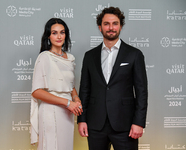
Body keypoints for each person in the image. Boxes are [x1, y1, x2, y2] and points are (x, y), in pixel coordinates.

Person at [78, 7, 148, 150]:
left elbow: (141, 92)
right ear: (100, 27)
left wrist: (139, 122)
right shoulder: (89, 56)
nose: (111, 28)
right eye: (106, 24)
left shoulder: (134, 55)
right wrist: (82, 120)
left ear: (120, 26)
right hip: (96, 124)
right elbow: (84, 90)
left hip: (125, 125)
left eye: (115, 23)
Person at [30, 18, 83, 150]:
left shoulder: (70, 58)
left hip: (68, 113)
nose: (59, 36)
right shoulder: (44, 57)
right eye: (54, 33)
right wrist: (67, 103)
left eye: (62, 32)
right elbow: (37, 91)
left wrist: (76, 99)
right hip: (51, 111)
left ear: (66, 35)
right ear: (48, 36)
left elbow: (70, 86)